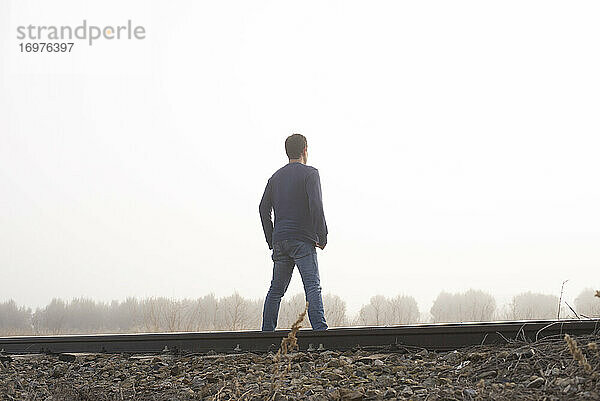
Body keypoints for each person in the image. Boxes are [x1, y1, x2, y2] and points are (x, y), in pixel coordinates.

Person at [259, 134, 328, 331]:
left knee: (276, 290)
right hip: (302, 241)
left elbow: (263, 209)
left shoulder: (275, 178)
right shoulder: (310, 174)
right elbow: (316, 205)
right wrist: (322, 236)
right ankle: (321, 332)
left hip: (281, 240)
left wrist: (271, 239)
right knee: (312, 287)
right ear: (305, 150)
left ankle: (266, 333)